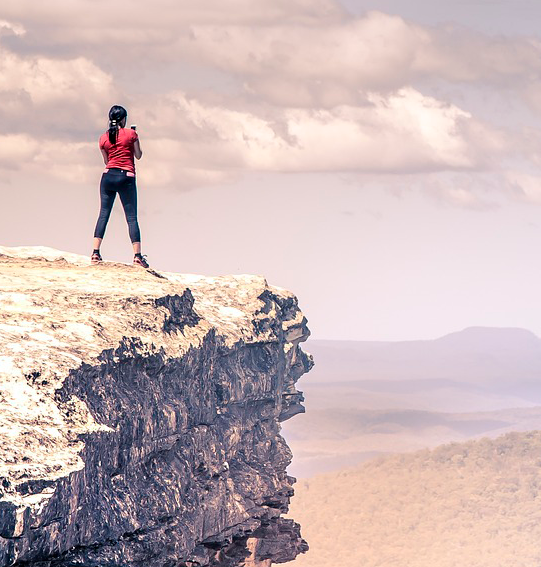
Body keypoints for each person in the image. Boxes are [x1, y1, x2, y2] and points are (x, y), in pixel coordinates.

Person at [91, 105, 149, 268]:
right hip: (126, 177)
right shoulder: (131, 134)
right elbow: (138, 155)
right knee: (131, 217)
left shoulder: (103, 138)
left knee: (103, 214)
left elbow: (106, 161)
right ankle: (137, 256)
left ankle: (95, 253)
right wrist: (134, 138)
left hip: (108, 176)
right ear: (124, 119)